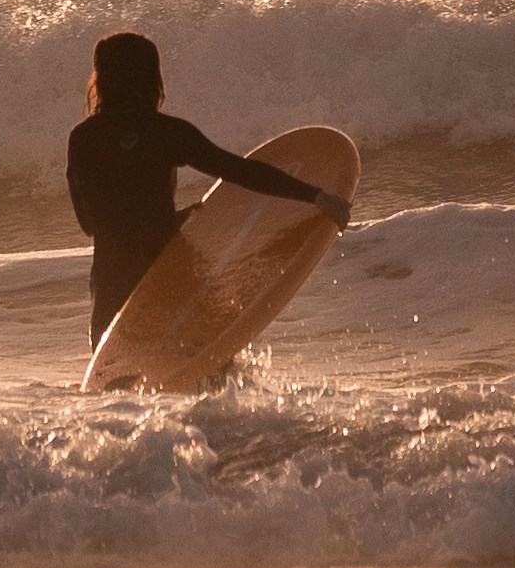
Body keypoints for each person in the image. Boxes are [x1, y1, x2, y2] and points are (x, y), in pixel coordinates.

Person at [68, 31, 353, 339]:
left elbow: (91, 224)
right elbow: (239, 170)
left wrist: (161, 219)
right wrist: (315, 195)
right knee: (208, 374)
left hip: (113, 287)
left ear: (103, 78)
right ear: (152, 77)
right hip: (169, 277)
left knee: (118, 384)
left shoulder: (83, 138)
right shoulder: (168, 132)